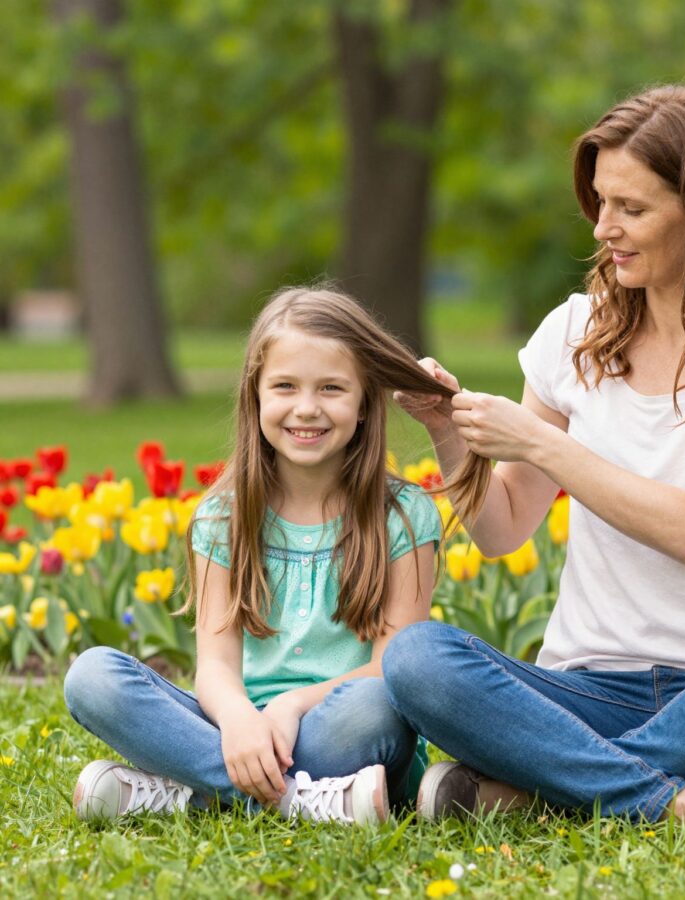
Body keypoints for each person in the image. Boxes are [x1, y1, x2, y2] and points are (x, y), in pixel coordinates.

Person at [385, 85, 685, 834]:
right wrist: (449, 430)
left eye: (631, 209)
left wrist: (541, 441)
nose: (604, 228)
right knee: (415, 659)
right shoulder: (575, 331)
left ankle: (545, 786)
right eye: (600, 203)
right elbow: (504, 527)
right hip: (586, 685)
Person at [63, 286, 489, 825]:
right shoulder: (224, 516)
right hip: (234, 729)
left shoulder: (401, 514)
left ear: (363, 404)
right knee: (91, 677)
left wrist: (291, 705)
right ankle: (302, 801)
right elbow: (216, 666)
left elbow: (389, 666)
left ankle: (194, 791)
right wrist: (242, 718)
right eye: (285, 386)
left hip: (342, 727)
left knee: (378, 706)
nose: (306, 408)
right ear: (256, 396)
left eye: (332, 388)